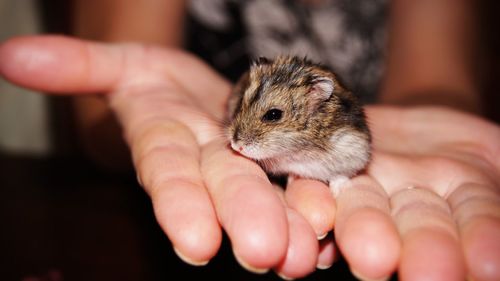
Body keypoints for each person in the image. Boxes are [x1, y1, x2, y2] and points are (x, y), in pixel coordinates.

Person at [1, 0, 499, 280]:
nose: (241, 135)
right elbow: (100, 129)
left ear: (317, 105)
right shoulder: (258, 104)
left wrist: (436, 117)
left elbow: (437, 77)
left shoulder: (334, 127)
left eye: (273, 116)